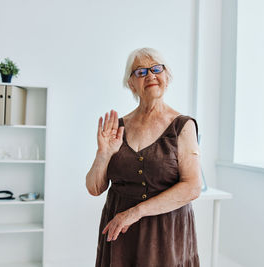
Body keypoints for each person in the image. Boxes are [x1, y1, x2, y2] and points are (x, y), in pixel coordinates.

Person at [86, 47, 202, 267]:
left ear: (167, 76)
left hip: (166, 234)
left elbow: (193, 187)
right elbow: (94, 188)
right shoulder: (117, 127)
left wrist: (135, 213)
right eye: (140, 71)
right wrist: (103, 154)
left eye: (156, 68)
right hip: (120, 235)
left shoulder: (182, 126)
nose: (150, 75)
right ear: (131, 84)